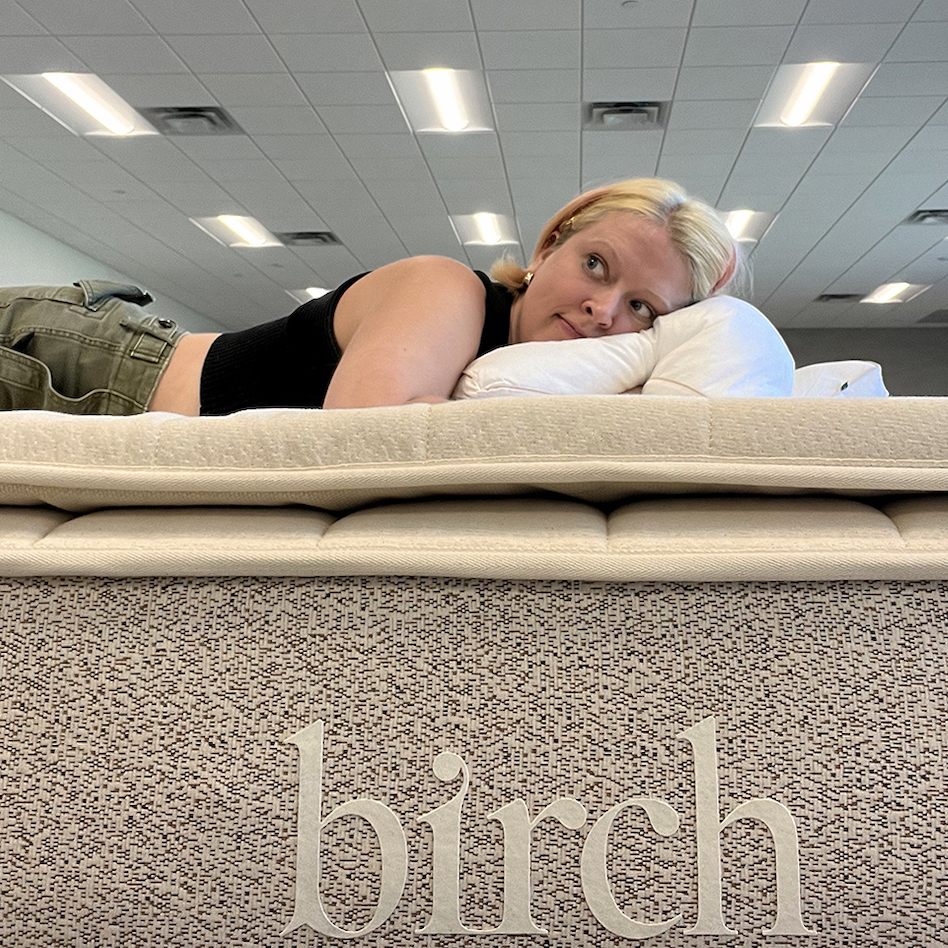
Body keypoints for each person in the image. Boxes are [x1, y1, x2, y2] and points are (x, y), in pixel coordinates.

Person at [0, 177, 788, 416]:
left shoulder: (558, 377)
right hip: (87, 363)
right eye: (594, 265)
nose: (605, 311)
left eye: (644, 307)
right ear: (549, 244)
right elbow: (361, 439)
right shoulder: (447, 289)